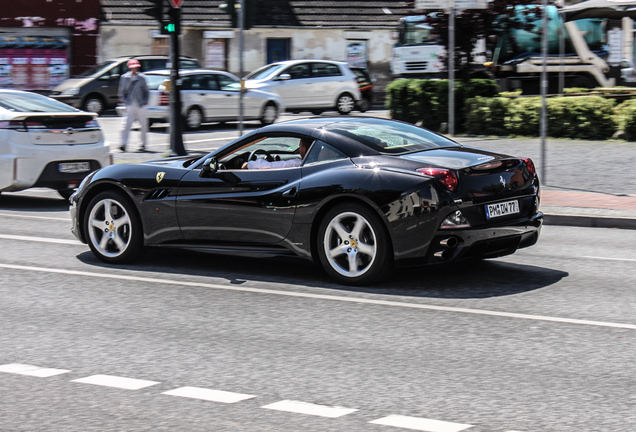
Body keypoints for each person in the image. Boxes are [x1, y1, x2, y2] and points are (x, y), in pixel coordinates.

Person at [118, 59, 149, 152]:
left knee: (143, 125)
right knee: (126, 125)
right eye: (133, 67)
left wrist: (144, 102)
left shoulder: (142, 77)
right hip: (130, 104)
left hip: (140, 104)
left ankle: (143, 144)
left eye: (136, 67)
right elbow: (121, 91)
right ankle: (123, 144)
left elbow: (146, 91)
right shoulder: (124, 77)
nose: (134, 69)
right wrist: (126, 102)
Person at [242, 138, 312, 169]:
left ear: (304, 149)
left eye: (300, 147)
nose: (299, 150)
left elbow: (270, 166)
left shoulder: (298, 163)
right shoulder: (317, 162)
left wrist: (249, 164)